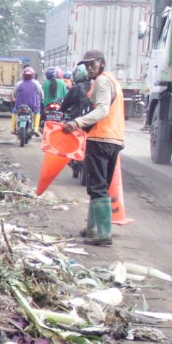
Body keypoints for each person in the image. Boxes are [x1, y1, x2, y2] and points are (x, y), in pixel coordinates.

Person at [63, 49, 124, 245]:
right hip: (113, 140)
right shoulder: (112, 80)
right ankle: (92, 228)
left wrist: (77, 123)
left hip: (100, 140)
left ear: (102, 63)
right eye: (87, 64)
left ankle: (103, 234)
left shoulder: (102, 81)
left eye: (93, 64)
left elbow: (102, 110)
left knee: (97, 186)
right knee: (100, 186)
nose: (89, 67)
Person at [11, 66, 42, 136]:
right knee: (37, 113)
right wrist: (42, 98)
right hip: (33, 105)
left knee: (14, 112)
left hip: (20, 105)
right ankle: (36, 129)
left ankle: (13, 129)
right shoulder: (37, 84)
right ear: (33, 76)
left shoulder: (18, 83)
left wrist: (14, 97)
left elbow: (14, 94)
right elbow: (41, 94)